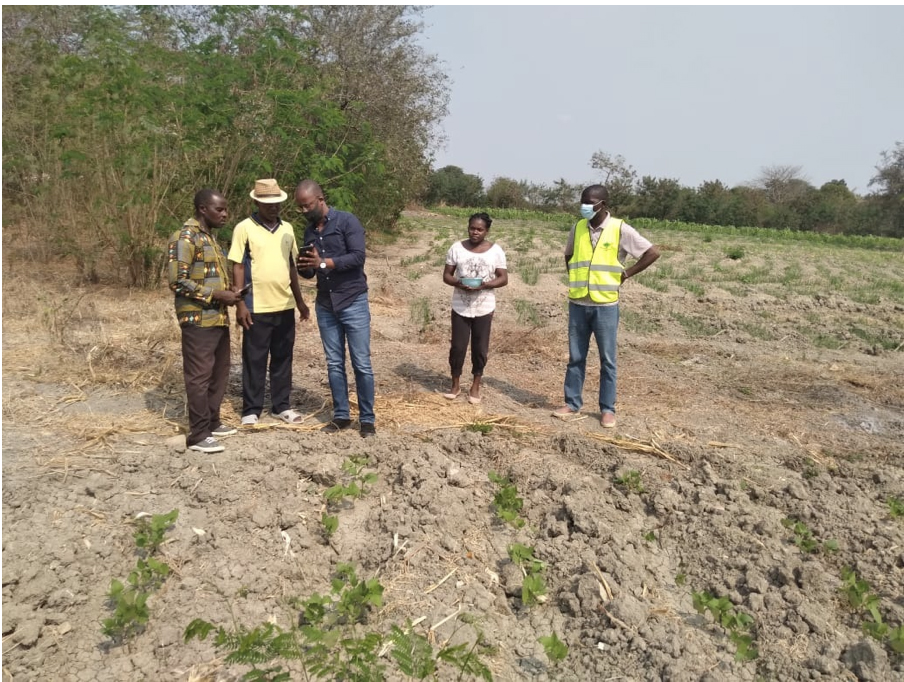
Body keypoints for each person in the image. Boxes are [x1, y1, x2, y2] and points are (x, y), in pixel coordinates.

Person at [553, 185, 660, 428]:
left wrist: (627, 273)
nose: (585, 207)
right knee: (576, 357)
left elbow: (652, 252)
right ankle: (571, 402)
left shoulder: (620, 228)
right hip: (578, 302)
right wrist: (574, 277)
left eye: (590, 203)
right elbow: (569, 255)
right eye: (583, 202)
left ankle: (607, 409)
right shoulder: (578, 227)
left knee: (608, 359)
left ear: (603, 204)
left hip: (606, 304)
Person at [294, 179, 376, 438]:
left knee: (361, 363)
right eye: (300, 208)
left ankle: (367, 419)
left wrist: (323, 263)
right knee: (334, 363)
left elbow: (358, 257)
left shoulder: (346, 221)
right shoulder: (309, 232)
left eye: (307, 206)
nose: (305, 211)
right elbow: (310, 273)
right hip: (326, 304)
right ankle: (341, 415)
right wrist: (304, 266)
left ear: (321, 199)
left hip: (352, 300)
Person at [228, 178, 310, 426]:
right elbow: (238, 265)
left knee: (283, 357)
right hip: (256, 306)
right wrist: (241, 303)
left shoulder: (287, 229)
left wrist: (300, 302)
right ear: (256, 201)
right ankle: (251, 409)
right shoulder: (244, 228)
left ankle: (281, 405)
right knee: (254, 359)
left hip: (284, 305)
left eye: (277, 202)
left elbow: (292, 266)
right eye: (267, 202)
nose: (273, 207)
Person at [167, 189, 241, 454]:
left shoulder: (212, 239)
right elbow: (177, 281)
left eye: (225, 209)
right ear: (202, 209)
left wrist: (231, 293)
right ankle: (198, 434)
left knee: (219, 372)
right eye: (219, 209)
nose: (224, 214)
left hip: (218, 317)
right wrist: (215, 294)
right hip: (197, 318)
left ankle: (212, 421)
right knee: (198, 376)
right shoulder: (185, 237)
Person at [441, 212, 508, 404]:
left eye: (480, 229)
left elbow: (503, 278)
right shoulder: (456, 248)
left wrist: (485, 285)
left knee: (480, 348)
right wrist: (459, 283)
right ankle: (455, 384)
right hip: (461, 305)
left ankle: (475, 385)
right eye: (472, 228)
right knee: (458, 347)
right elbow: (447, 275)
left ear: (487, 231)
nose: (475, 232)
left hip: (484, 306)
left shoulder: (496, 251)